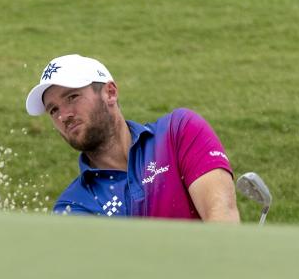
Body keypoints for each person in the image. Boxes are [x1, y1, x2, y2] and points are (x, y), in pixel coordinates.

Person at [25, 54, 240, 221]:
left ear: (110, 92)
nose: (64, 115)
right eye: (53, 110)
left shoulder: (178, 132)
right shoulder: (72, 206)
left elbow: (221, 216)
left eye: (72, 97)